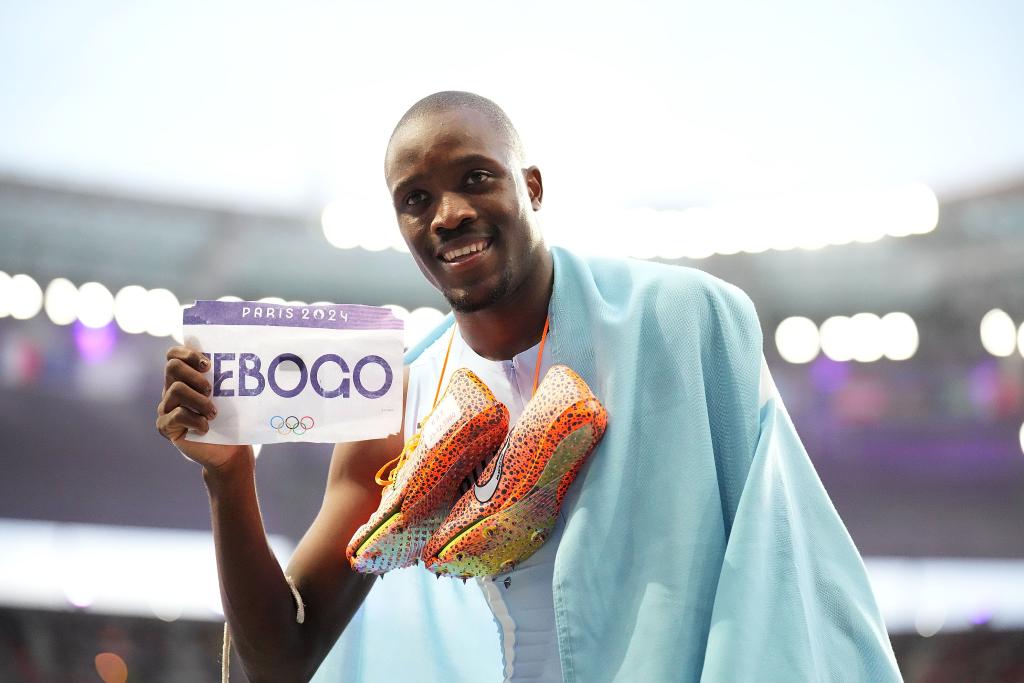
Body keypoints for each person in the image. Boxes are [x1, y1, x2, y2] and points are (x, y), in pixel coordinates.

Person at [156, 91, 903, 682]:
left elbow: (782, 570)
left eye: (476, 178)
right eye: (416, 198)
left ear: (533, 187)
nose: (449, 214)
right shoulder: (399, 399)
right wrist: (229, 478)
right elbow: (281, 659)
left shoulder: (684, 320)